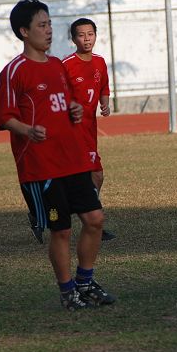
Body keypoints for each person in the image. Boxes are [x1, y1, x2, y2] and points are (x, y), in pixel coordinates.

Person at [0, 0, 116, 311]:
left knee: (95, 219)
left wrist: (74, 108)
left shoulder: (57, 66)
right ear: (24, 31)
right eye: (42, 25)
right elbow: (4, 117)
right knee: (60, 230)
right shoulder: (14, 71)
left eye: (49, 24)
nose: (48, 30)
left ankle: (85, 282)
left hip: (72, 159)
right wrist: (27, 130)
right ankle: (68, 292)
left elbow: (65, 102)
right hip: (42, 166)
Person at [62, 18, 116, 241]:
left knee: (92, 177)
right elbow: (58, 95)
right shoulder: (66, 65)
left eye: (90, 34)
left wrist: (105, 104)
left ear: (95, 35)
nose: (86, 39)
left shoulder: (100, 62)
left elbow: (103, 86)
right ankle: (93, 222)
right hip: (72, 130)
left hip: (89, 129)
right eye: (81, 35)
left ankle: (51, 212)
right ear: (73, 38)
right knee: (94, 174)